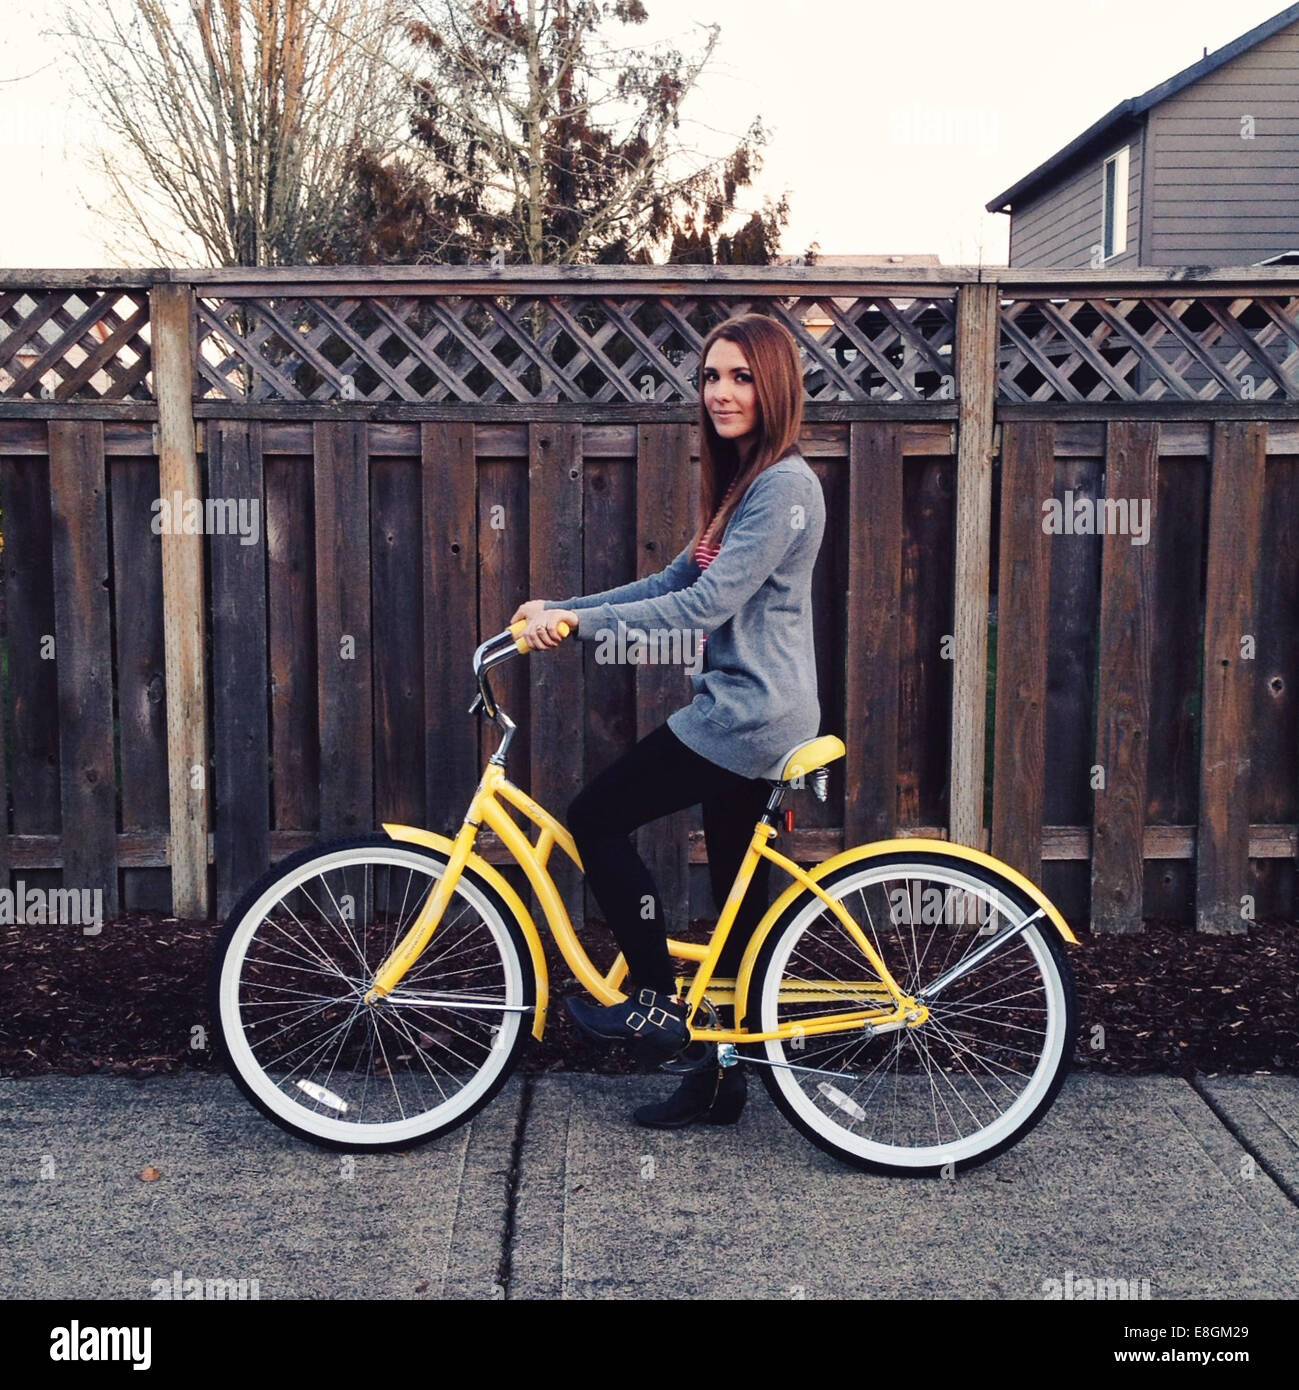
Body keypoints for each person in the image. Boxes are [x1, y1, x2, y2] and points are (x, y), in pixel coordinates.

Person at [509, 312, 826, 1128]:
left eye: (741, 378)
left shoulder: (784, 486)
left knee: (594, 816)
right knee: (736, 913)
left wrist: (578, 628)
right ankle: (718, 1081)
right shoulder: (744, 485)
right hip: (748, 709)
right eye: (712, 377)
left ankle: (651, 999)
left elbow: (705, 603)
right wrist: (560, 607)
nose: (721, 392)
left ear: (775, 386)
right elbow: (668, 579)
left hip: (746, 718)